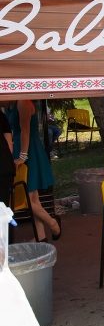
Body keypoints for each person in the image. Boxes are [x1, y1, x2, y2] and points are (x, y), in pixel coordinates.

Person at [4, 100, 60, 241]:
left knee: (26, 198)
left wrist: (23, 156)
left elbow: (25, 130)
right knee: (34, 197)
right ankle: (41, 235)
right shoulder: (10, 104)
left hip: (29, 149)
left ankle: (53, 224)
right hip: (21, 148)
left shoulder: (23, 102)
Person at [0, 110, 13, 207]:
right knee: (3, 210)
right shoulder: (1, 116)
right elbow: (10, 148)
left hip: (4, 168)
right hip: (4, 168)